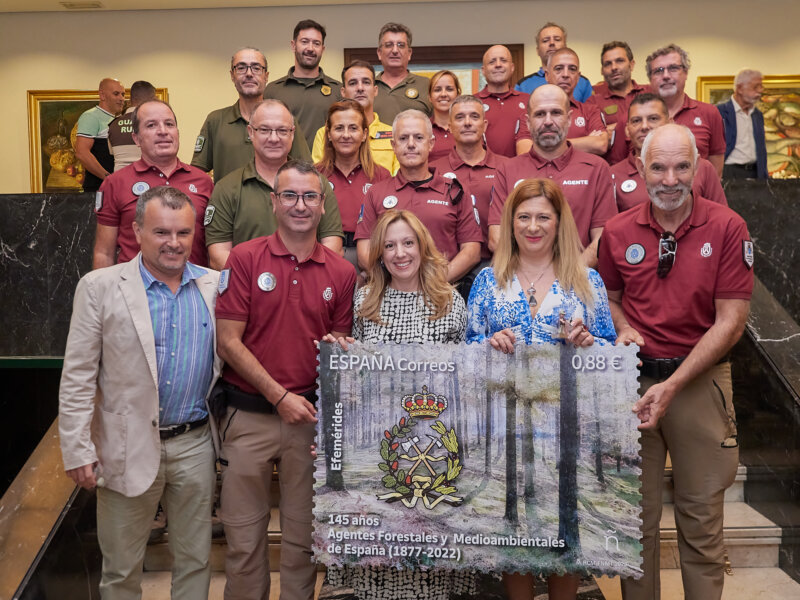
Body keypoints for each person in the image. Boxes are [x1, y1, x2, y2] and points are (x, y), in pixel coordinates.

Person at [597, 124, 753, 600]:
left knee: (702, 522)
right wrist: (621, 326)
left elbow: (731, 322)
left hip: (699, 385)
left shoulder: (727, 227)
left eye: (682, 166)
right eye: (658, 167)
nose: (670, 179)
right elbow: (610, 297)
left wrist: (673, 384)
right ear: (640, 168)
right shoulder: (619, 231)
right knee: (634, 523)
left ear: (698, 169)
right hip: (633, 387)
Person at [59, 186, 220, 599]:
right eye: (162, 232)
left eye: (183, 233)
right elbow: (77, 376)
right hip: (124, 446)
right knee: (122, 570)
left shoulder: (215, 287)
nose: (174, 243)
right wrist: (77, 450)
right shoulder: (99, 287)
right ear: (136, 231)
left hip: (195, 443)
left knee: (196, 561)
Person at [466, 178, 615, 600]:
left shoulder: (587, 282)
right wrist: (487, 344)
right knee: (514, 529)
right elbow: (467, 349)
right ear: (511, 224)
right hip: (503, 425)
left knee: (563, 527)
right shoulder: (487, 281)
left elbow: (609, 351)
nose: (533, 226)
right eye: (524, 217)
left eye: (543, 217)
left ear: (559, 222)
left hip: (567, 427)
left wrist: (589, 343)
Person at [215, 160, 357, 600]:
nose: (300, 205)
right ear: (274, 202)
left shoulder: (342, 273)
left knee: (301, 543)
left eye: (310, 196)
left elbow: (338, 350)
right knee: (242, 541)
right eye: (290, 195)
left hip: (310, 423)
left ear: (322, 204)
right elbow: (228, 342)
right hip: (248, 416)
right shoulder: (243, 258)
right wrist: (279, 397)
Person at [321, 210, 474, 600]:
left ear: (422, 247)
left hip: (434, 448)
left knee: (429, 552)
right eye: (389, 245)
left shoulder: (450, 303)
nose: (399, 253)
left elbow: (465, 383)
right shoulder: (362, 304)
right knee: (381, 549)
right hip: (376, 446)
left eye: (407, 243)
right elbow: (350, 378)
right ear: (377, 254)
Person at [204, 99, 343, 270]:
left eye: (282, 130)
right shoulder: (226, 188)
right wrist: (263, 282)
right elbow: (218, 256)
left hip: (307, 289)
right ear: (250, 132)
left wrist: (299, 280)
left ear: (292, 133)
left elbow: (333, 246)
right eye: (264, 130)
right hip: (249, 291)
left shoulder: (318, 183)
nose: (274, 138)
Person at [488, 84, 617, 268]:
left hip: (577, 282)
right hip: (521, 283)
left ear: (569, 118)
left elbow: (602, 237)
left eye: (556, 113)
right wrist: (531, 279)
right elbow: (496, 238)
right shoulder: (507, 170)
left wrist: (569, 278)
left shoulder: (597, 169)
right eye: (540, 114)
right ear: (527, 122)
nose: (548, 121)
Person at [355, 109, 481, 284]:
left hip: (442, 291)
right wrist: (396, 284)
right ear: (393, 145)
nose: (411, 144)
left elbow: (472, 250)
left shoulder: (455, 191)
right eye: (403, 138)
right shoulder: (376, 193)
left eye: (419, 138)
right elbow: (364, 252)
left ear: (431, 144)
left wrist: (435, 284)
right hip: (390, 293)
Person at [93, 99, 213, 269]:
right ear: (136, 138)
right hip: (135, 290)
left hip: (192, 289)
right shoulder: (115, 183)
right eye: (151, 125)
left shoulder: (203, 182)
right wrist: (104, 293)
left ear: (177, 132)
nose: (163, 131)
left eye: (169, 124)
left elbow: (212, 248)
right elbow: (104, 253)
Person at [191, 47, 310, 183]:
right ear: (232, 75)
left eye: (256, 68)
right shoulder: (216, 120)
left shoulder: (286, 119)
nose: (249, 73)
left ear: (266, 76)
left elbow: (305, 170)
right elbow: (197, 174)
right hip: (229, 203)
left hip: (276, 202)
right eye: (241, 68)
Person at [611, 93, 727, 212]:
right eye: (636, 121)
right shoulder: (612, 175)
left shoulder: (703, 168)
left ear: (670, 122)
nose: (644, 126)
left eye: (653, 118)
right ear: (627, 130)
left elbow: (721, 219)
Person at [431, 94, 507, 266]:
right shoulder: (434, 171)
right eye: (459, 117)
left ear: (484, 125)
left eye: (474, 116)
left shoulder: (508, 168)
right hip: (446, 267)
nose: (467, 122)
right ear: (449, 127)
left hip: (499, 264)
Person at [315, 99, 391, 268]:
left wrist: (370, 272)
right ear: (328, 134)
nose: (346, 135)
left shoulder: (381, 176)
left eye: (353, 128)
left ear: (364, 134)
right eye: (339, 128)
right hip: (325, 255)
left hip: (369, 259)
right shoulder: (314, 175)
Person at [646, 43, 725, 175]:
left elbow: (716, 170)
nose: (665, 75)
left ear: (686, 73)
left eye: (673, 68)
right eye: (658, 71)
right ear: (650, 79)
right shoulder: (636, 118)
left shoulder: (709, 113)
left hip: (696, 194)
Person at [263, 19, 342, 148]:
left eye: (316, 43)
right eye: (304, 42)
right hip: (285, 166)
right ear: (293, 45)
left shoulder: (338, 90)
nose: (310, 48)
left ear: (322, 49)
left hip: (326, 166)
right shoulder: (273, 90)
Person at [311, 60, 399, 174]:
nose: (360, 88)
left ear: (375, 90)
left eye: (366, 82)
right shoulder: (324, 133)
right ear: (343, 92)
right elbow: (320, 177)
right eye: (353, 83)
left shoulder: (393, 134)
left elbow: (397, 179)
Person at [585, 41, 650, 165]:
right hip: (612, 172)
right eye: (608, 64)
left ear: (631, 64)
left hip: (652, 168)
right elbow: (592, 141)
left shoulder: (650, 93)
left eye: (619, 61)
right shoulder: (593, 103)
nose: (614, 67)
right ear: (602, 70)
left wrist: (615, 128)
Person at [545, 48, 608, 155]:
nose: (565, 74)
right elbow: (526, 150)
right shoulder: (533, 112)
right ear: (547, 75)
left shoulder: (590, 111)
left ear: (578, 77)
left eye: (572, 69)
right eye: (559, 68)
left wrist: (547, 146)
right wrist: (586, 141)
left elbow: (601, 145)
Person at [476, 44, 532, 157]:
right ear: (483, 70)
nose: (498, 65)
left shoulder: (529, 101)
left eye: (503, 60)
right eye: (492, 62)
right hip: (482, 172)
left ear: (512, 68)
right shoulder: (472, 103)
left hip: (521, 171)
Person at [515, 23, 593, 102]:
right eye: (545, 40)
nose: (552, 43)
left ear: (565, 46)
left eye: (557, 39)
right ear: (537, 50)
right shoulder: (523, 85)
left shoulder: (583, 82)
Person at [374, 22, 432, 122]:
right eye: (389, 45)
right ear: (379, 53)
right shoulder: (366, 87)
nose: (395, 50)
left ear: (409, 53)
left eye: (401, 45)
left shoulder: (427, 85)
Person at [75, 77, 125, 192]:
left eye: (123, 94)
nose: (122, 98)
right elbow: (82, 153)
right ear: (102, 95)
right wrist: (109, 178)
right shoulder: (91, 117)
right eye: (116, 94)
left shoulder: (118, 119)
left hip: (116, 188)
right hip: (99, 188)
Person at [718, 68, 768, 179]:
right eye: (755, 87)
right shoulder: (719, 112)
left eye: (761, 86)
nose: (760, 90)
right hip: (729, 172)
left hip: (755, 173)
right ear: (740, 88)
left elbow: (762, 150)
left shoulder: (757, 115)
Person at [108, 80, 156, 172]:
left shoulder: (113, 124)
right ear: (151, 99)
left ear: (131, 98)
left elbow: (112, 154)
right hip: (147, 179)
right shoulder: (154, 123)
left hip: (120, 180)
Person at [428, 70, 461, 162]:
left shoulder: (467, 127)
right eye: (437, 90)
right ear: (429, 97)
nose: (443, 94)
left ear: (458, 95)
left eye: (449, 89)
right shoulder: (421, 129)